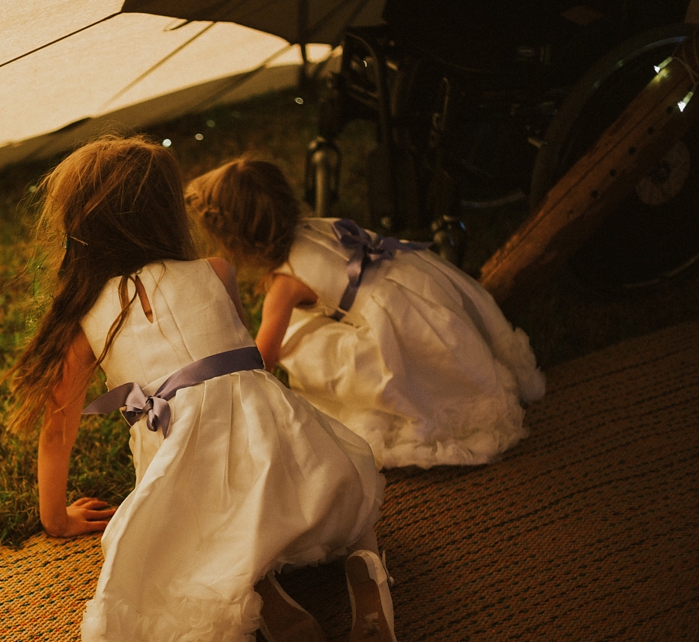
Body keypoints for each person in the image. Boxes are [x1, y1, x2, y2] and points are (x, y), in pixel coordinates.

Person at [6, 136, 394, 642]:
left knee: (198, 530)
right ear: (165, 213)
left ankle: (256, 584)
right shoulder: (215, 271)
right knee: (350, 492)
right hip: (277, 437)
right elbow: (248, 366)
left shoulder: (90, 314)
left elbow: (57, 429)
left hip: (187, 455)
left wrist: (55, 518)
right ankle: (366, 568)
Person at [186, 158, 546, 470]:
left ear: (234, 240)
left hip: (408, 332)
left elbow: (262, 359)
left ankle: (389, 402)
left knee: (298, 341)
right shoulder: (324, 226)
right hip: (424, 292)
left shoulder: (284, 286)